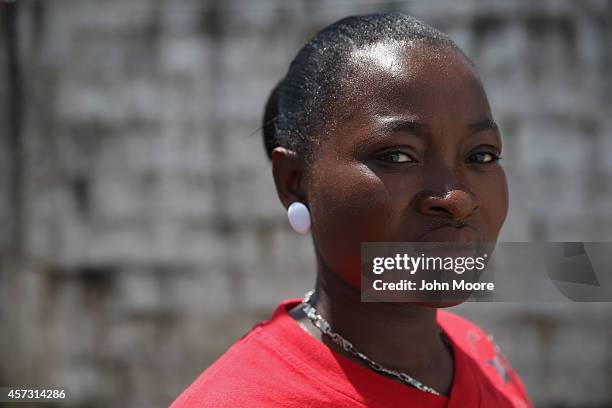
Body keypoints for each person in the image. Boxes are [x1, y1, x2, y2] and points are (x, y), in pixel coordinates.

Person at [171, 12, 532, 407]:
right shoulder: (242, 399)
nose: (457, 198)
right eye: (397, 156)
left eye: (481, 155)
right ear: (294, 181)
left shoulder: (480, 355)